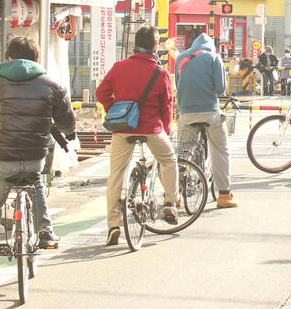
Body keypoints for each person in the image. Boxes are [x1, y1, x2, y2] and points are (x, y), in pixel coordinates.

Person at [0, 36, 76, 291]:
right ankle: (45, 231)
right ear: (36, 59)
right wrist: (66, 132)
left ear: (8, 58)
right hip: (34, 158)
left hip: (2, 158)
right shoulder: (52, 84)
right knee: (36, 178)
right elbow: (67, 123)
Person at [97, 27, 181, 245]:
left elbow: (101, 93)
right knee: (168, 160)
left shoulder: (119, 67)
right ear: (155, 46)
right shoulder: (160, 73)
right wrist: (167, 128)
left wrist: (115, 109)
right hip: (151, 128)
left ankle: (113, 225)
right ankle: (170, 202)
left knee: (117, 174)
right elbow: (166, 105)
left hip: (123, 128)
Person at [175, 32, 239, 208]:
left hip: (186, 113)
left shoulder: (181, 58)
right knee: (220, 149)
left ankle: (175, 194)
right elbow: (221, 88)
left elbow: (178, 85)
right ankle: (224, 194)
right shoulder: (214, 57)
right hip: (210, 112)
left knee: (183, 150)